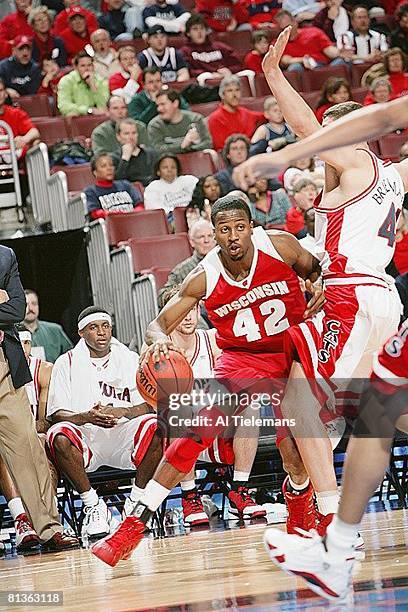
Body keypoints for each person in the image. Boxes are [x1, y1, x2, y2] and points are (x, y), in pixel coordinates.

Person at [90, 193, 327, 566]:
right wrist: (158, 343)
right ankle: (135, 522)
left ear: (251, 227)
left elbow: (315, 270)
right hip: (240, 359)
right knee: (196, 427)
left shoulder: (280, 245)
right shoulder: (204, 275)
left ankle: (299, 500)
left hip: (290, 354)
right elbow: (157, 324)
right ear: (213, 233)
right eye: (224, 229)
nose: (232, 236)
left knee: (295, 454)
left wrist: (317, 285)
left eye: (238, 227)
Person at [232, 28, 405, 534]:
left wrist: (271, 75)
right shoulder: (395, 173)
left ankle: (327, 513)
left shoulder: (353, 160)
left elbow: (304, 124)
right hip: (380, 297)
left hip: (352, 296)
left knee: (301, 400)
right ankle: (308, 495)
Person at [46, 306, 161, 539]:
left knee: (159, 425)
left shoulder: (130, 359)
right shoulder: (64, 363)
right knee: (58, 434)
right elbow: (56, 413)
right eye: (93, 327)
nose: (101, 332)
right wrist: (86, 416)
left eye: (105, 326)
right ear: (81, 333)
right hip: (87, 435)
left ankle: (136, 501)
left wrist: (123, 410)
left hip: (123, 434)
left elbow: (149, 404)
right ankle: (93, 505)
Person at [160, 285, 267, 526]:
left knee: (250, 405)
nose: (188, 317)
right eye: (181, 310)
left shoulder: (212, 340)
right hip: (176, 434)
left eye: (193, 309)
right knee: (177, 407)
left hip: (215, 429)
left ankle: (240, 490)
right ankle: (190, 496)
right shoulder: (158, 348)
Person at [0, 246, 78, 552]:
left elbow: (16, 311)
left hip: (5, 367)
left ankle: (49, 527)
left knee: (28, 450)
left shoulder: (5, 256)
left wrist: (6, 303)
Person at [0, 324, 53, 552]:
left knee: (38, 442)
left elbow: (47, 418)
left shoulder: (42, 369)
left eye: (27, 342)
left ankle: (39, 523)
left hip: (31, 432)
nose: (23, 347)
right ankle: (21, 517)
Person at [157, 218, 216, 308]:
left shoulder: (227, 263)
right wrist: (187, 297)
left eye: (210, 236)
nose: (206, 240)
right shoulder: (181, 270)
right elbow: (162, 297)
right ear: (192, 242)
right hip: (198, 313)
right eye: (201, 237)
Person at [180, 14, 250, 86]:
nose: (199, 32)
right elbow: (189, 71)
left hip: (227, 75)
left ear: (206, 31)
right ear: (188, 33)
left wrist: (229, 70)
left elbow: (238, 64)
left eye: (202, 28)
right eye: (195, 29)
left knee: (249, 73)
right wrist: (212, 73)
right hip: (206, 78)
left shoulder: (220, 46)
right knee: (205, 76)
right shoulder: (185, 51)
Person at [274, 9, 344, 72]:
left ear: (295, 22)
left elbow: (329, 50)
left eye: (288, 27)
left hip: (323, 66)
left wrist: (341, 52)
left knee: (342, 61)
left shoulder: (313, 32)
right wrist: (303, 60)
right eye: (282, 29)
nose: (285, 31)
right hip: (302, 69)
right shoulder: (279, 42)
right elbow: (285, 60)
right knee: (294, 67)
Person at [207, 75, 264, 151]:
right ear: (222, 95)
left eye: (237, 90)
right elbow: (221, 148)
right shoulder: (215, 118)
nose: (234, 95)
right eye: (230, 91)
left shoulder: (245, 112)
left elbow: (267, 115)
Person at [147, 88, 212, 154]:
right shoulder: (155, 125)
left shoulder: (195, 119)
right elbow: (158, 150)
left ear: (175, 103)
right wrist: (182, 145)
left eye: (163, 104)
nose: (159, 109)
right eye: (157, 105)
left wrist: (188, 148)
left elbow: (208, 144)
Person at [84, 153, 143, 220]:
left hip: (133, 221)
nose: (109, 168)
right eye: (103, 166)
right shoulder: (91, 191)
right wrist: (115, 215)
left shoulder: (126, 185)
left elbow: (140, 205)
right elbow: (95, 213)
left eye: (111, 165)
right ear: (95, 172)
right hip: (110, 225)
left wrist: (131, 215)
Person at [24, 289, 73, 363]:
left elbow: (71, 356)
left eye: (34, 304)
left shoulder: (55, 330)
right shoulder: (12, 333)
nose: (30, 308)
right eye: (26, 305)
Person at [143, 153, 198, 217]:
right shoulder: (152, 187)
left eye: (173, 167)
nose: (169, 170)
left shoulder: (190, 180)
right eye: (165, 167)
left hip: (193, 214)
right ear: (158, 171)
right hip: (169, 218)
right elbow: (154, 211)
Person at [57, 50, 109, 117]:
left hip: (97, 119)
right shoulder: (67, 81)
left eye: (89, 65)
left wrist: (93, 87)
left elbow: (103, 107)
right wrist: (88, 110)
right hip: (76, 120)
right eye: (83, 66)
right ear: (76, 67)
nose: (87, 69)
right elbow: (63, 106)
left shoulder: (101, 81)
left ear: (93, 66)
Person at [0, 77, 40, 159]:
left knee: (36, 143)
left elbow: (34, 132)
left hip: (13, 157)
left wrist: (23, 139)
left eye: (0, 90)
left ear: (6, 93)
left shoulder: (15, 113)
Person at [112, 118, 158, 186]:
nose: (131, 137)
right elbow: (118, 183)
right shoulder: (114, 158)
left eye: (134, 133)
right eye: (126, 133)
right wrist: (125, 159)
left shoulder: (151, 154)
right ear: (118, 136)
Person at [0, 35, 42, 100]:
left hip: (30, 104)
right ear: (13, 50)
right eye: (21, 49)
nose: (25, 53)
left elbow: (34, 93)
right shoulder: (3, 67)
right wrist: (6, 90)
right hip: (7, 104)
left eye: (28, 49)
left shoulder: (35, 68)